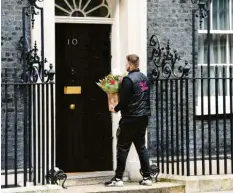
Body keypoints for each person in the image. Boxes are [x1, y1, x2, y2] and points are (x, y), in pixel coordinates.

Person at [104, 54, 152, 187]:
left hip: (130, 118)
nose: (125, 65)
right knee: (141, 147)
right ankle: (147, 177)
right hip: (143, 117)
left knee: (122, 147)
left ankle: (118, 178)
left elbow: (124, 100)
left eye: (126, 63)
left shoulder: (128, 80)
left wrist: (116, 108)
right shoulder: (144, 78)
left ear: (130, 65)